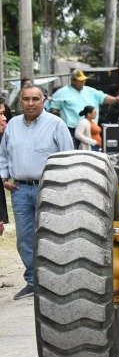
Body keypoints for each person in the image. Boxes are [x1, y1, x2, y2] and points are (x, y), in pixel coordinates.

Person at [1, 85, 70, 297]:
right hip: (20, 190)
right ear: (20, 101)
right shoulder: (12, 125)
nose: (30, 103)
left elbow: (68, 156)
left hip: (49, 188)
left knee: (54, 235)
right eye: (26, 99)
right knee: (24, 239)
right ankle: (33, 281)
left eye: (35, 99)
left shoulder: (56, 124)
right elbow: (3, 155)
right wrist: (4, 178)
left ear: (43, 100)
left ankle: (56, 281)